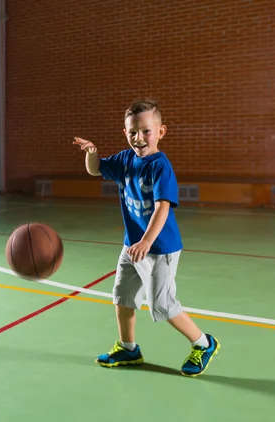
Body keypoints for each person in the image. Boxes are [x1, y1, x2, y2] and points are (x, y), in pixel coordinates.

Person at [72, 99, 220, 377]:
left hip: (160, 247)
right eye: (133, 132)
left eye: (146, 131)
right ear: (125, 132)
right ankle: (129, 349)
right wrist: (91, 152)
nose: (139, 138)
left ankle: (204, 344)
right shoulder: (125, 160)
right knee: (123, 297)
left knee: (162, 304)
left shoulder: (160, 166)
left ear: (160, 132)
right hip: (133, 245)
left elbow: (163, 206)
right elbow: (95, 169)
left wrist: (147, 242)